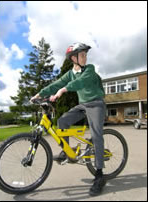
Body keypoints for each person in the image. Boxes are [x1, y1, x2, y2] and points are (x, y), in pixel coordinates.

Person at [30, 42, 106, 196]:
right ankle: (67, 151)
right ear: (73, 58)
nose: (85, 57)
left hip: (96, 103)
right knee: (62, 121)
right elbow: (57, 83)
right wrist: (39, 94)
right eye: (82, 55)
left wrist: (63, 90)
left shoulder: (89, 69)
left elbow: (80, 82)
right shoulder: (71, 73)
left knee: (97, 134)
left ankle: (99, 175)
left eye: (85, 55)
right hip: (83, 104)